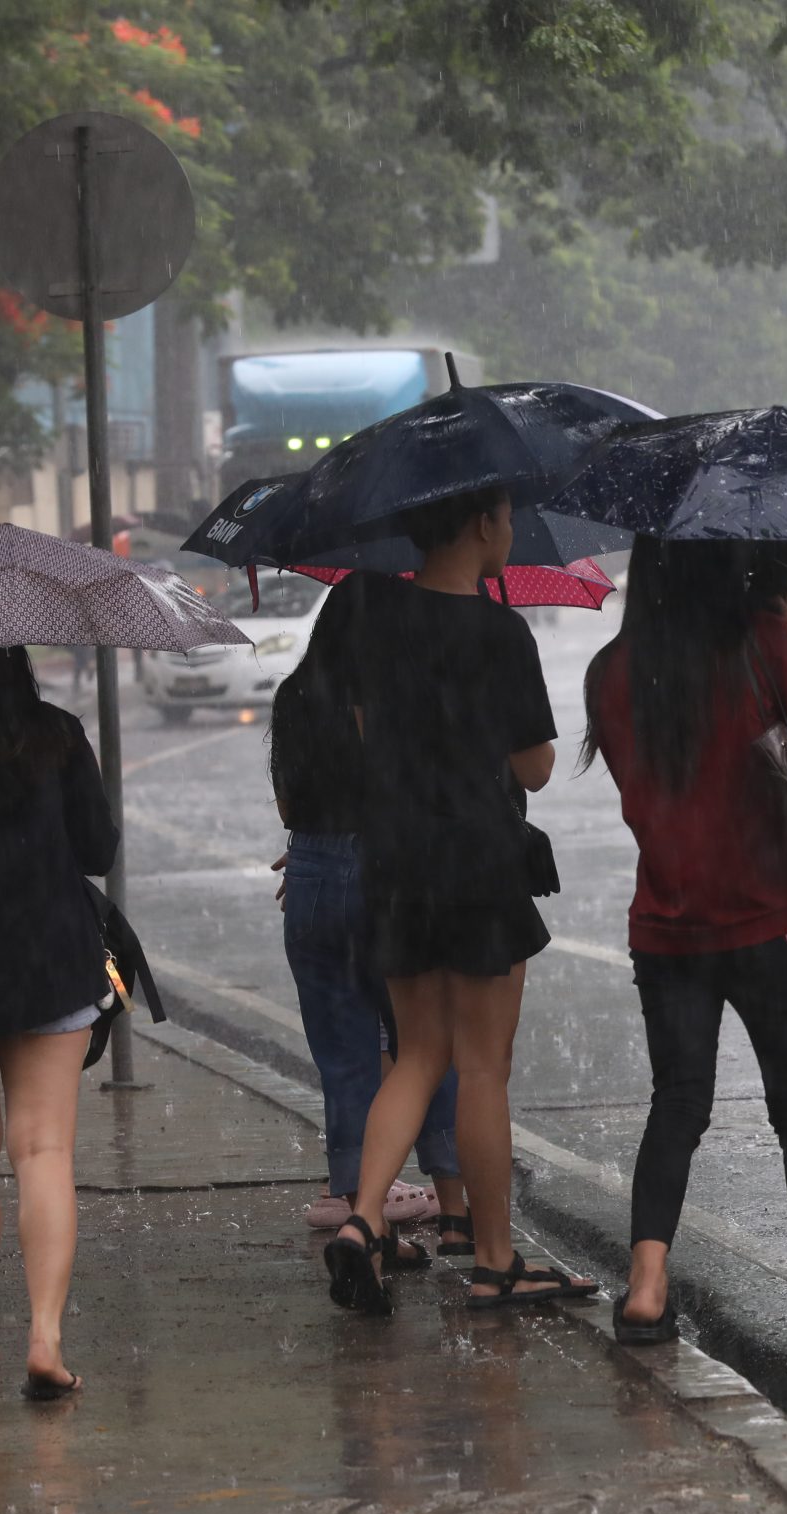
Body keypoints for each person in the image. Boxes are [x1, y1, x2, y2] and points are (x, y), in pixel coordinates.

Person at [584, 538, 787, 1373]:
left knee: (677, 1104)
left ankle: (646, 1286)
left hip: (669, 927)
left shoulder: (612, 671)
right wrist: (779, 624)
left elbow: (642, 785)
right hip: (771, 922)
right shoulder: (761, 640)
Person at [317, 488, 594, 1313]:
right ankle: (497, 1259)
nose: (510, 530)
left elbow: (371, 738)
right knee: (480, 1066)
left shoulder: (377, 625)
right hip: (477, 859)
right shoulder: (501, 631)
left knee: (417, 1053)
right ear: (482, 524)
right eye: (505, 516)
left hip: (398, 861)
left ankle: (363, 1221)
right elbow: (537, 766)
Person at [0, 638, 116, 1401]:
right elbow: (98, 849)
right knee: (43, 1151)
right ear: (12, 655)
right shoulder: (57, 733)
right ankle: (46, 1335)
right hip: (49, 957)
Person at [267, 615, 467, 1251]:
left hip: (312, 873)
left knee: (344, 1058)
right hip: (389, 870)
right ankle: (459, 1212)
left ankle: (367, 1222)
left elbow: (289, 808)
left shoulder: (295, 696)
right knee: (428, 1044)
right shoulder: (402, 690)